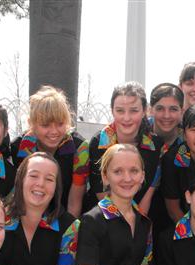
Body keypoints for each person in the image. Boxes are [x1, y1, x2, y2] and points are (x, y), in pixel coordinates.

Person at [77, 144, 173, 265]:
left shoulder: (144, 223)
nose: (127, 178)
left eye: (134, 171)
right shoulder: (92, 221)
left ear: (143, 176)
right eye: (118, 171)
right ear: (105, 177)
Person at [0, 152, 80, 265]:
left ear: (56, 186)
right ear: (21, 179)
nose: (41, 184)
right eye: (34, 176)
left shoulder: (70, 227)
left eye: (49, 179)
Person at [85, 82, 162, 216]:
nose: (126, 118)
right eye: (120, 111)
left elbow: (150, 188)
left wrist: (138, 224)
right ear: (112, 110)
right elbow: (100, 191)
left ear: (144, 111)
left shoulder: (155, 145)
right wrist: (122, 224)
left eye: (134, 111)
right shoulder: (98, 143)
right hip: (103, 216)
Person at [10, 85, 87, 217]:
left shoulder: (79, 148)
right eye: (45, 125)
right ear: (31, 123)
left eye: (60, 124)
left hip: (63, 216)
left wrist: (69, 232)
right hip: (26, 216)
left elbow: (75, 200)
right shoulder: (17, 147)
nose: (54, 131)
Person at [149, 82, 184, 155]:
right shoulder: (139, 135)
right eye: (160, 108)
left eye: (173, 109)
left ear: (182, 112)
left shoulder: (190, 140)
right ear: (151, 110)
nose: (166, 116)